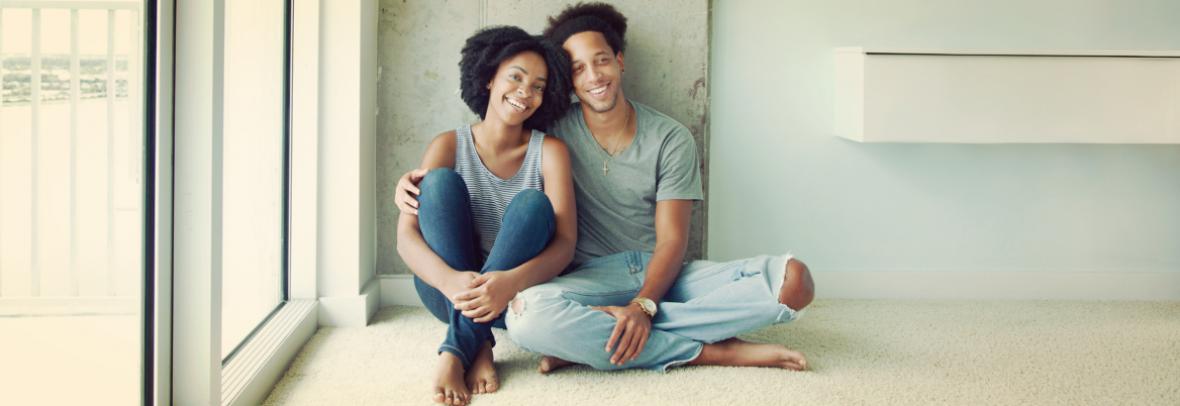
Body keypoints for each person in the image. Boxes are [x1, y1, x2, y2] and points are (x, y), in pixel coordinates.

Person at [396, 2, 815, 376]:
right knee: (529, 318)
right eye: (578, 68)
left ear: (619, 61)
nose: (594, 76)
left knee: (794, 282)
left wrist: (644, 306)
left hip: (658, 274)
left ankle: (591, 339)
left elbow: (673, 241)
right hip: (585, 280)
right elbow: (493, 140)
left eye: (601, 61)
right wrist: (412, 187)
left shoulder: (670, 137)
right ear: (568, 81)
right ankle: (708, 352)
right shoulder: (551, 130)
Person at [394, 26, 576, 406]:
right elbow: (406, 237)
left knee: (533, 205)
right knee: (438, 183)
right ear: (489, 78)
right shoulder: (447, 144)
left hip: (515, 294)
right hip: (445, 291)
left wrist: (509, 282)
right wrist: (451, 281)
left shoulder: (551, 151)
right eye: (516, 77)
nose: (526, 92)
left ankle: (455, 350)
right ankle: (479, 346)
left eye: (539, 86)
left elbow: (564, 245)